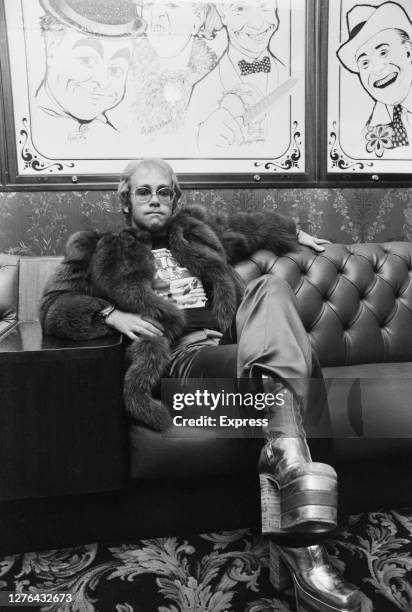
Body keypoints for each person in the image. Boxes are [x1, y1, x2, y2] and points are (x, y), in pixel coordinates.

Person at [40, 158, 362, 612]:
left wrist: (296, 233)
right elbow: (55, 305)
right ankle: (308, 557)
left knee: (270, 288)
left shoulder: (196, 233)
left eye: (164, 192)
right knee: (299, 369)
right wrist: (110, 313)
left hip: (236, 348)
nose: (155, 200)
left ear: (176, 197)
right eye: (143, 192)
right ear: (125, 200)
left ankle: (285, 459)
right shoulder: (98, 248)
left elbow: (248, 226)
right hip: (180, 360)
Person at [33, 0, 145, 155]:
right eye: (87, 60)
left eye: (115, 69)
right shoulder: (34, 132)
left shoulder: (118, 140)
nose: (103, 82)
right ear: (52, 48)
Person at [185, 0, 291, 156]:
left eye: (265, 7)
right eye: (240, 9)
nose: (257, 24)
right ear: (222, 13)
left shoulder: (293, 80)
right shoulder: (203, 91)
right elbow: (189, 155)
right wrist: (205, 141)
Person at [126, 1, 218, 152]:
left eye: (172, 5)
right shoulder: (123, 76)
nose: (157, 14)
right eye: (149, 4)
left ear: (197, 19)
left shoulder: (214, 84)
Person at [337, 1, 412, 158]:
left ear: (408, 50)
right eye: (365, 63)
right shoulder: (366, 132)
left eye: (383, 52)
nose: (377, 70)